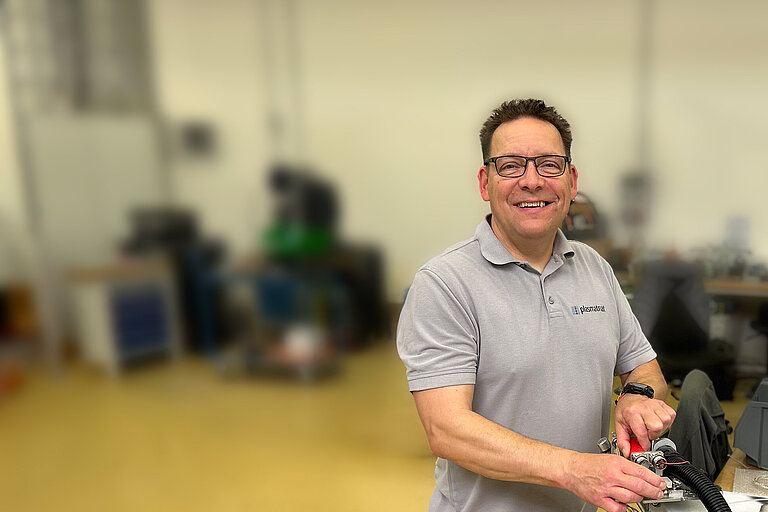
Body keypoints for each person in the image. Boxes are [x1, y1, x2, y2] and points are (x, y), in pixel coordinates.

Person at [396, 98, 676, 512]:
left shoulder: (594, 268)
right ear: (484, 183)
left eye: (549, 164)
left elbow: (645, 368)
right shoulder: (444, 283)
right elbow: (447, 429)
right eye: (511, 166)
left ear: (571, 180)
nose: (532, 181)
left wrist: (636, 395)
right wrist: (573, 469)